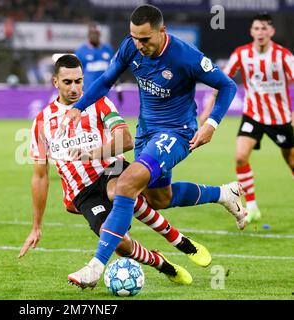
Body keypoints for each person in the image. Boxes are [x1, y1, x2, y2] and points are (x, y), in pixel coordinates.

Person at [59, 5, 248, 289]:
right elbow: (107, 80)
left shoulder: (186, 56)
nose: (139, 44)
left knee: (126, 185)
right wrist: (79, 107)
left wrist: (211, 124)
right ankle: (224, 193)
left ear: (162, 32)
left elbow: (227, 86)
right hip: (146, 133)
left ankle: (95, 266)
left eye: (145, 39)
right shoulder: (130, 48)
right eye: (134, 37)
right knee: (159, 199)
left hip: (177, 133)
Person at [19, 54, 213, 286]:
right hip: (82, 192)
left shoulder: (98, 103)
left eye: (79, 81)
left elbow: (127, 140)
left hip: (113, 167)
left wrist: (92, 154)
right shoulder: (41, 122)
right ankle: (162, 264)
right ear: (55, 82)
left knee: (118, 189)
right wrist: (36, 227)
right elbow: (40, 177)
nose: (74, 88)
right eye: (67, 82)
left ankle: (179, 240)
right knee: (120, 244)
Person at [200, 13, 294, 223]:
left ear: (271, 31)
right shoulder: (241, 54)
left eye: (264, 28)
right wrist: (207, 110)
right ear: (251, 31)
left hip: (280, 119)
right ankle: (252, 207)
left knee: (291, 161)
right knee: (241, 157)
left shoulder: (283, 55)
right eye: (257, 29)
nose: (260, 32)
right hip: (253, 115)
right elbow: (221, 80)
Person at [75, 23, 115, 91]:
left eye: (95, 33)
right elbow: (76, 72)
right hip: (88, 91)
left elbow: (114, 68)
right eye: (91, 33)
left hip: (104, 91)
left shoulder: (108, 49)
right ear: (88, 35)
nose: (94, 35)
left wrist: (118, 85)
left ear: (99, 34)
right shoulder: (81, 51)